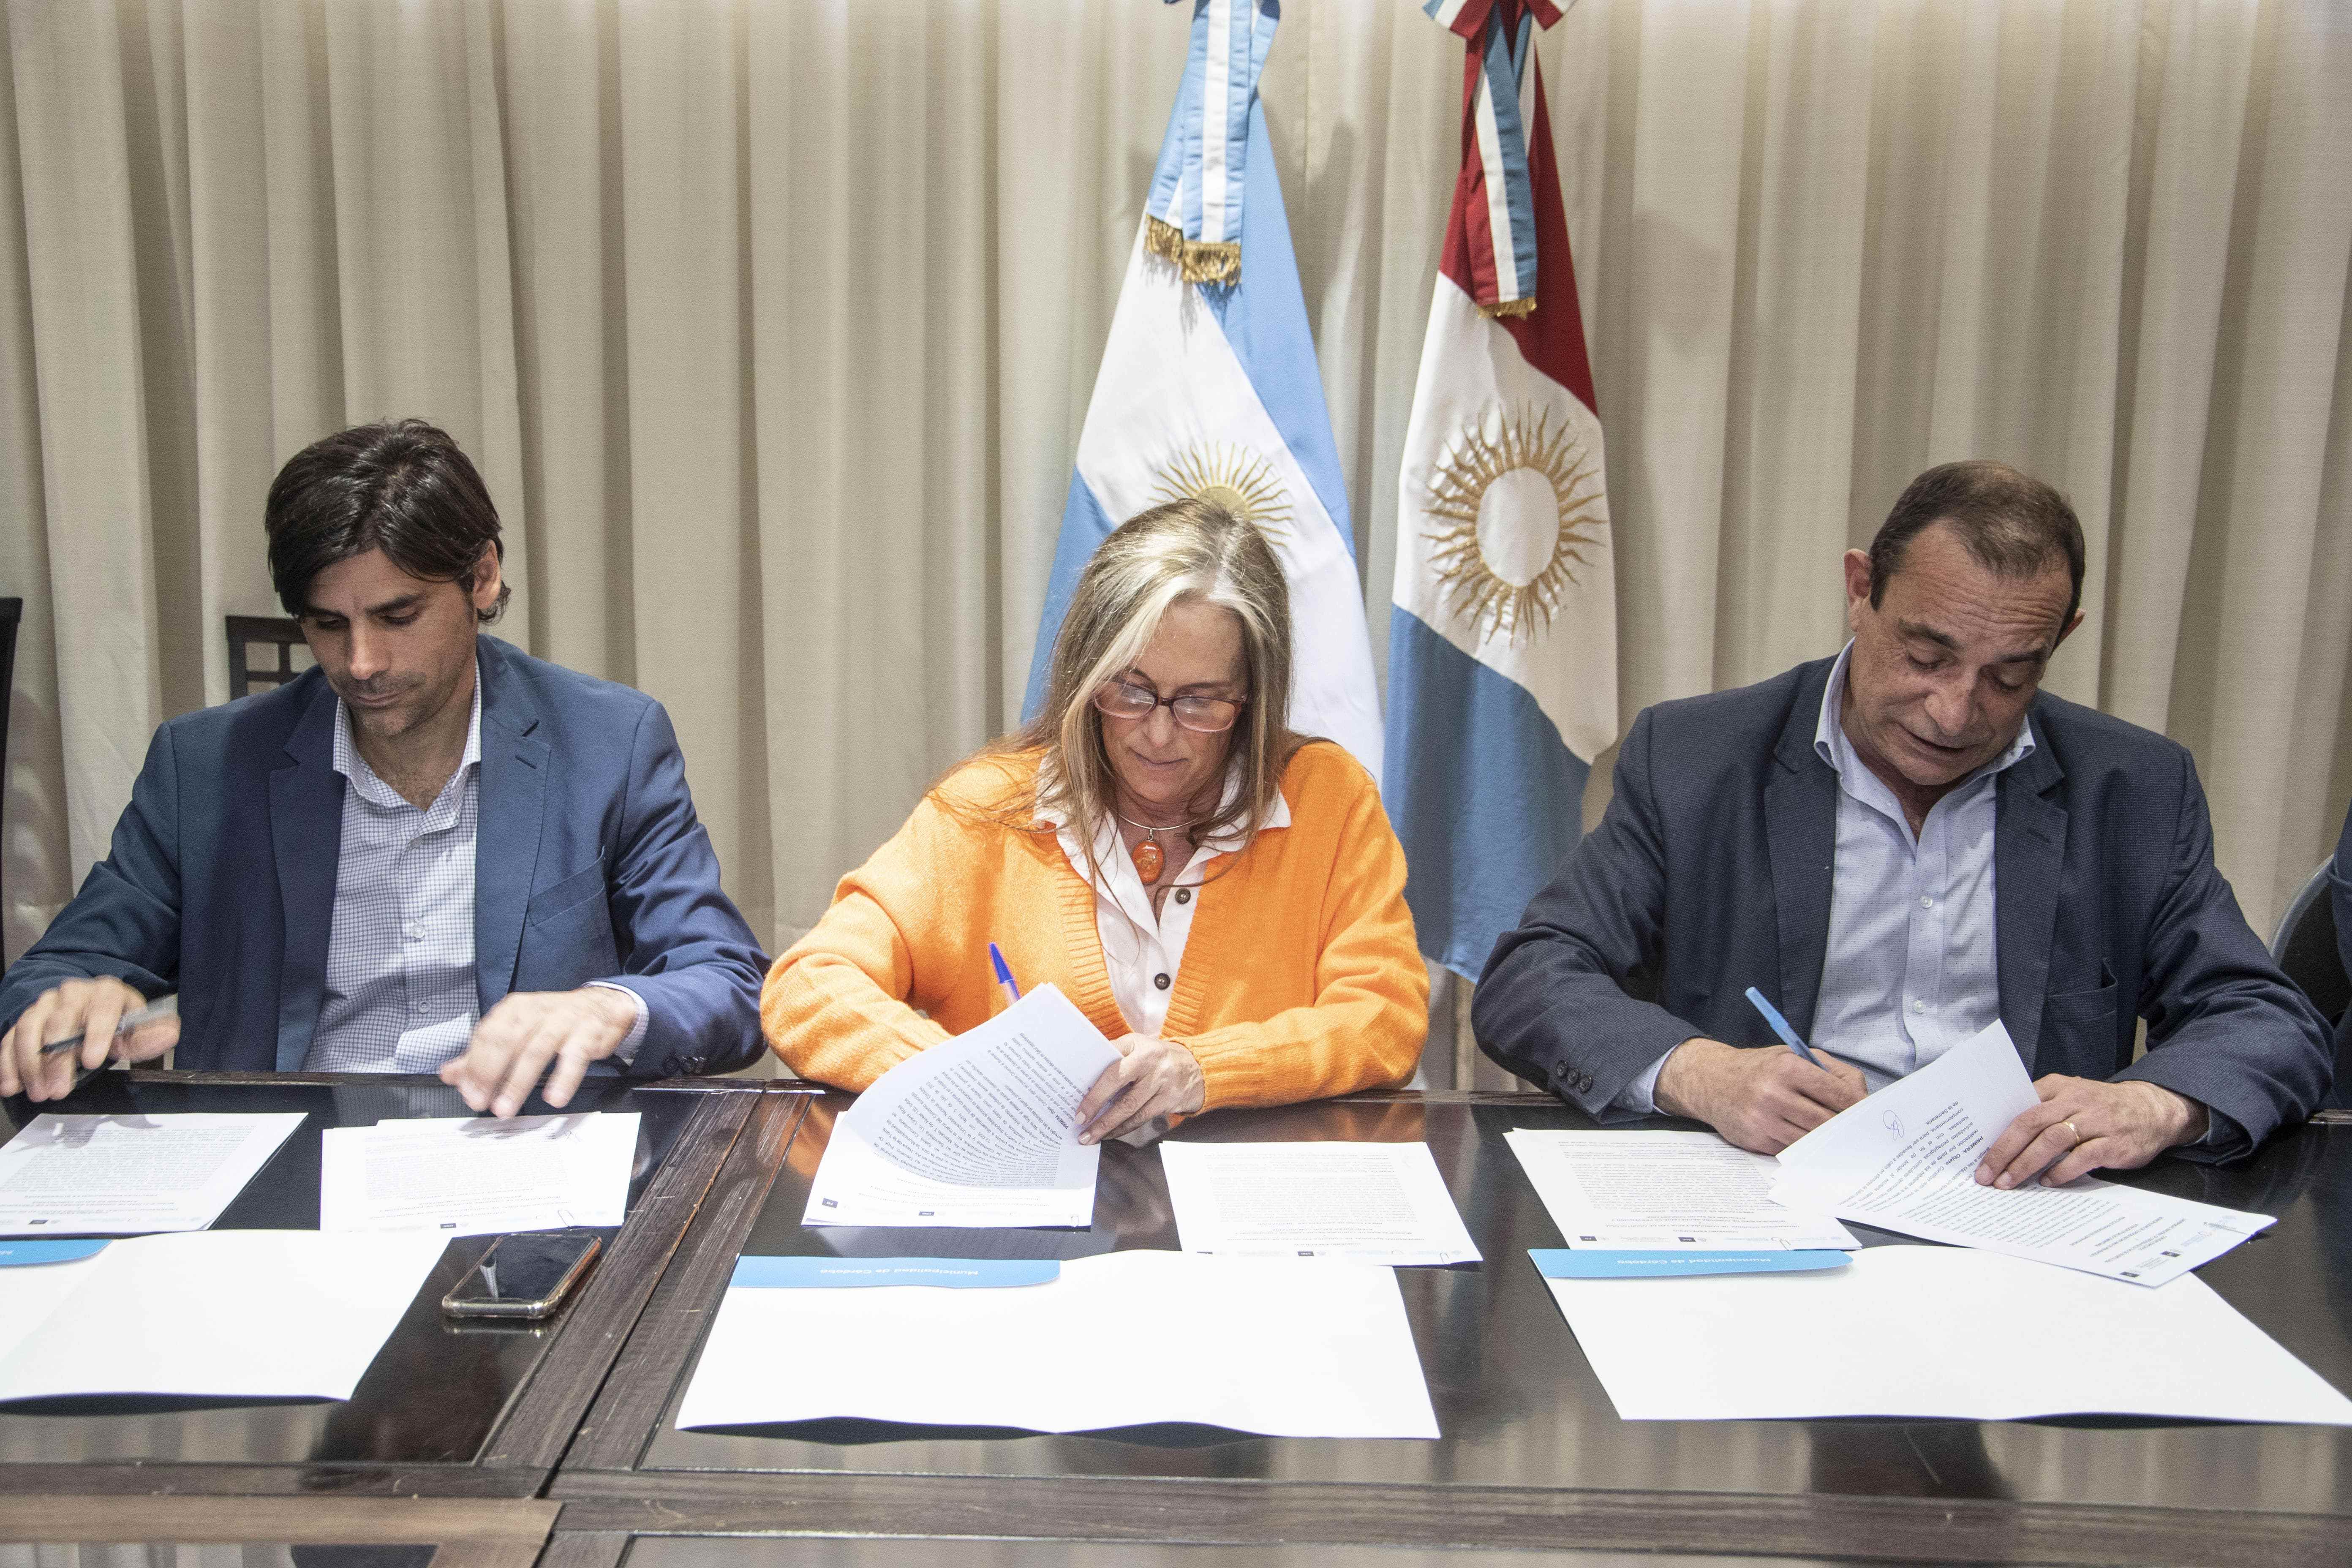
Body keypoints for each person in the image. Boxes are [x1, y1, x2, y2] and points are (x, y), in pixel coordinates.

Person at [1475, 460, 2333, 1183]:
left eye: (2008, 676)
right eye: (1926, 658)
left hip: (2020, 1219)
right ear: (1861, 590)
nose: (1955, 713)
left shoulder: (2133, 787)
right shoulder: (1702, 756)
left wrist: (2149, 1102)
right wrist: (1705, 1073)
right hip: (1771, 1200)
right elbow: (1533, 976)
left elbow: (2269, 1020)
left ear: (2060, 638)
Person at [0, 419, 769, 1114]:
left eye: (398, 617)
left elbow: (726, 983)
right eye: (328, 625)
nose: (361, 663)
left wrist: (607, 1008)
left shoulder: (608, 743)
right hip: (282, 1179)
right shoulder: (204, 767)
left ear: (483, 578)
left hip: (519, 1165)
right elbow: (55, 971)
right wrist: (66, 1007)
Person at [765, 498, 1426, 1141]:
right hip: (1033, 1211)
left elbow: (1383, 1016)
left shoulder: (1326, 800)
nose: (1160, 734)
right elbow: (808, 986)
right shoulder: (990, 808)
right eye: (1131, 690)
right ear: (1087, 674)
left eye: (1199, 701)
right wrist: (958, 1075)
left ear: (1252, 701)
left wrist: (1206, 1069)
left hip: (1252, 1213)